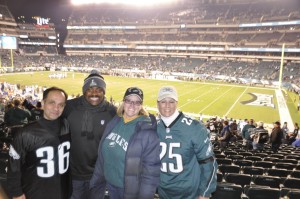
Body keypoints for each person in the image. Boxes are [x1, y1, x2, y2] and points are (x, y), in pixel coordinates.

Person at [90, 87, 160, 199]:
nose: (132, 105)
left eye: (137, 102)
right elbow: (102, 157)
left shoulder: (148, 132)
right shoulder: (115, 121)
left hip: (128, 192)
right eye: (129, 101)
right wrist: (96, 182)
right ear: (123, 102)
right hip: (107, 186)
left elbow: (150, 172)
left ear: (141, 105)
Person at [6, 87, 71, 199]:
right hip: (36, 193)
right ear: (43, 103)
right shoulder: (25, 133)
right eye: (52, 102)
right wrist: (16, 193)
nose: (56, 108)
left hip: (63, 191)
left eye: (61, 105)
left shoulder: (66, 125)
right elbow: (13, 166)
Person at [62, 70, 116, 199]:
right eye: (90, 89)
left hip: (99, 175)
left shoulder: (112, 111)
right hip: (73, 173)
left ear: (104, 91)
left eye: (99, 89)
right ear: (84, 90)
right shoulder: (69, 107)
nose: (94, 93)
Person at [156, 86, 217, 199]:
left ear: (177, 103)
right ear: (157, 104)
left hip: (189, 193)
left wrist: (205, 193)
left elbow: (209, 162)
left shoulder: (195, 127)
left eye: (171, 101)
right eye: (163, 101)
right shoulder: (153, 127)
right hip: (163, 192)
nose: (167, 105)